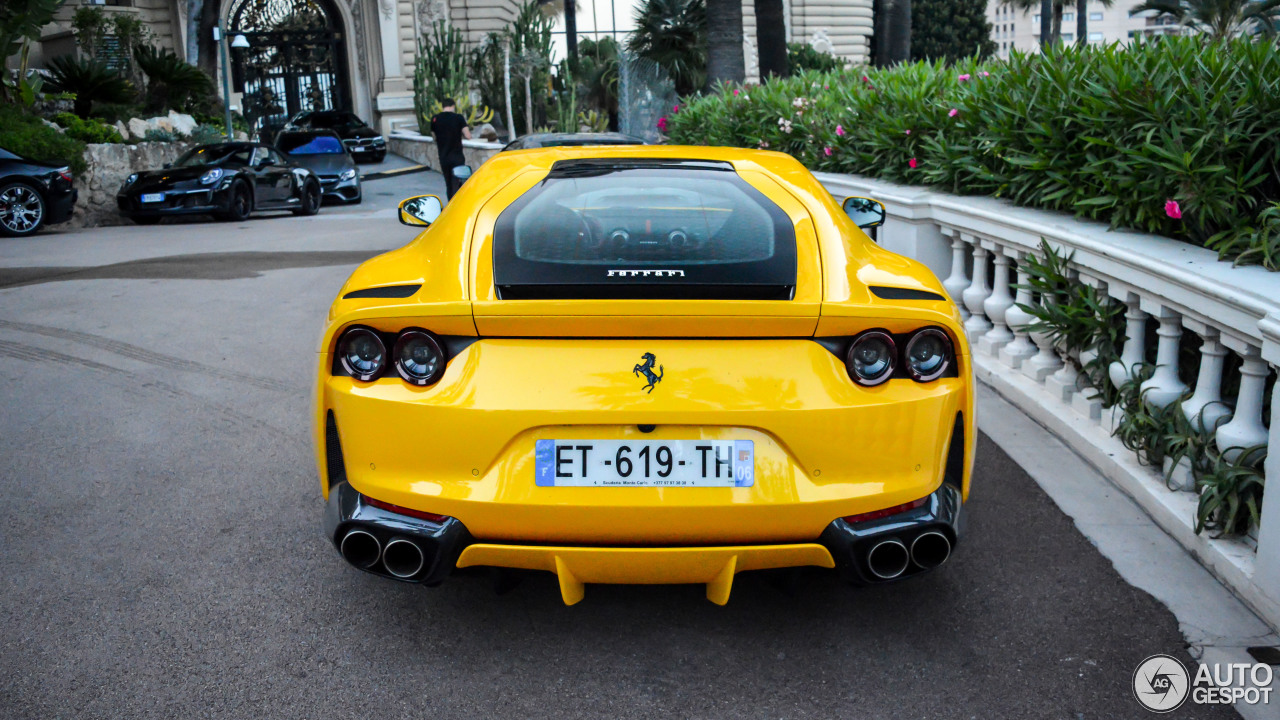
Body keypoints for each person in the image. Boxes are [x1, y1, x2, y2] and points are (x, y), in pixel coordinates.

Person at [429, 98, 471, 199]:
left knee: (448, 184)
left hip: (444, 157)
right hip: (457, 157)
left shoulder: (435, 119)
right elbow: (468, 135)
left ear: (442, 106)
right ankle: (458, 206)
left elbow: (434, 137)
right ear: (453, 106)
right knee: (457, 184)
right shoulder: (458, 118)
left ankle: (450, 205)